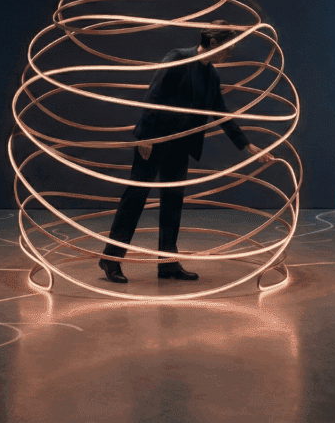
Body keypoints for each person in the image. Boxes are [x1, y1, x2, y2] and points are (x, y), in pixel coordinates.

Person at [98, 20, 273, 283]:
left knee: (172, 204)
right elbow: (154, 95)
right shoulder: (178, 58)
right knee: (134, 200)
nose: (230, 54)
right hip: (154, 141)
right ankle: (110, 259)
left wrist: (247, 145)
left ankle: (167, 263)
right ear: (213, 42)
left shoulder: (212, 75)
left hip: (181, 146)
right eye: (228, 48)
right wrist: (145, 136)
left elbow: (221, 113)